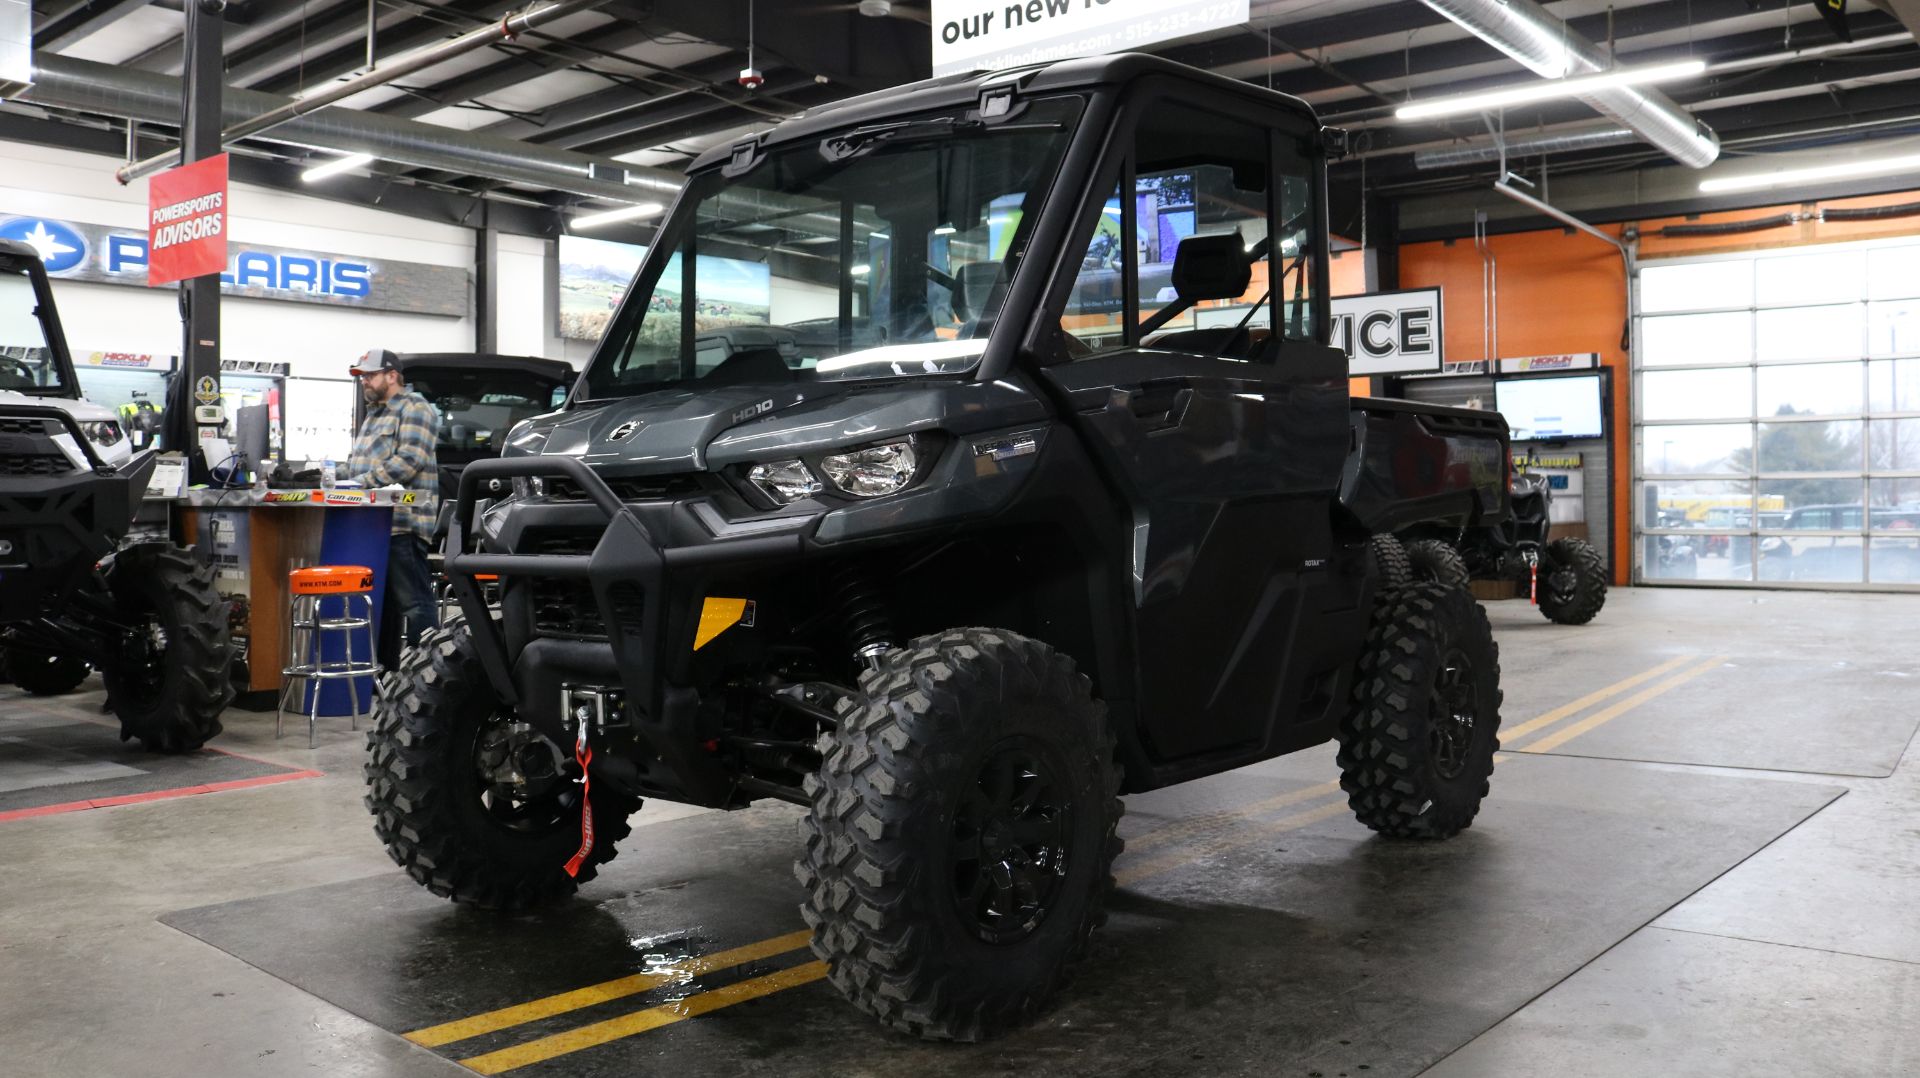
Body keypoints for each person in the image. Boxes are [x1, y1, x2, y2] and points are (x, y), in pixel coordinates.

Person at [346, 348, 441, 669]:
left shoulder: (416, 408)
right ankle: (384, 676)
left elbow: (409, 460)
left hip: (403, 523)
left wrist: (359, 483)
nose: (365, 382)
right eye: (362, 377)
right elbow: (358, 465)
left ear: (391, 376)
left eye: (370, 375)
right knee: (380, 607)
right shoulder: (375, 414)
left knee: (414, 603)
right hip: (371, 526)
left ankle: (427, 676)